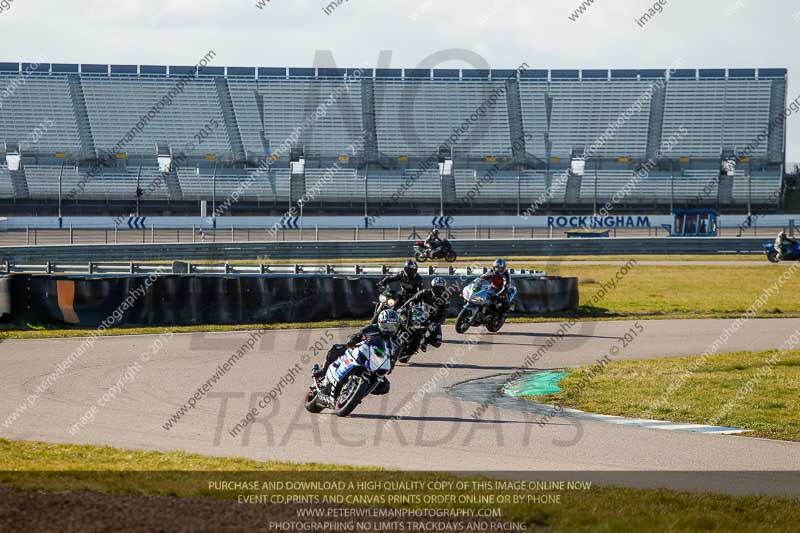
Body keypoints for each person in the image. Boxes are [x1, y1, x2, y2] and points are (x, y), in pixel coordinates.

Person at [313, 309, 400, 379]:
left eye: (392, 326)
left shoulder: (395, 340)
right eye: (387, 326)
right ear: (380, 323)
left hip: (376, 362)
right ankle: (323, 371)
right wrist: (352, 341)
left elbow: (394, 356)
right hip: (361, 351)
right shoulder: (373, 328)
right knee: (335, 349)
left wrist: (391, 365)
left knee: (385, 386)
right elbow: (358, 334)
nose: (389, 329)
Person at [400, 277, 450, 352]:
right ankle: (399, 336)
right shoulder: (424, 292)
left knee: (437, 342)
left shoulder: (445, 301)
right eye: (437, 288)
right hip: (419, 314)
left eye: (441, 288)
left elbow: (443, 315)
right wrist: (403, 307)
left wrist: (436, 323)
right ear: (432, 287)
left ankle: (425, 342)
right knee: (405, 321)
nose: (439, 290)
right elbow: (412, 299)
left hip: (433, 320)